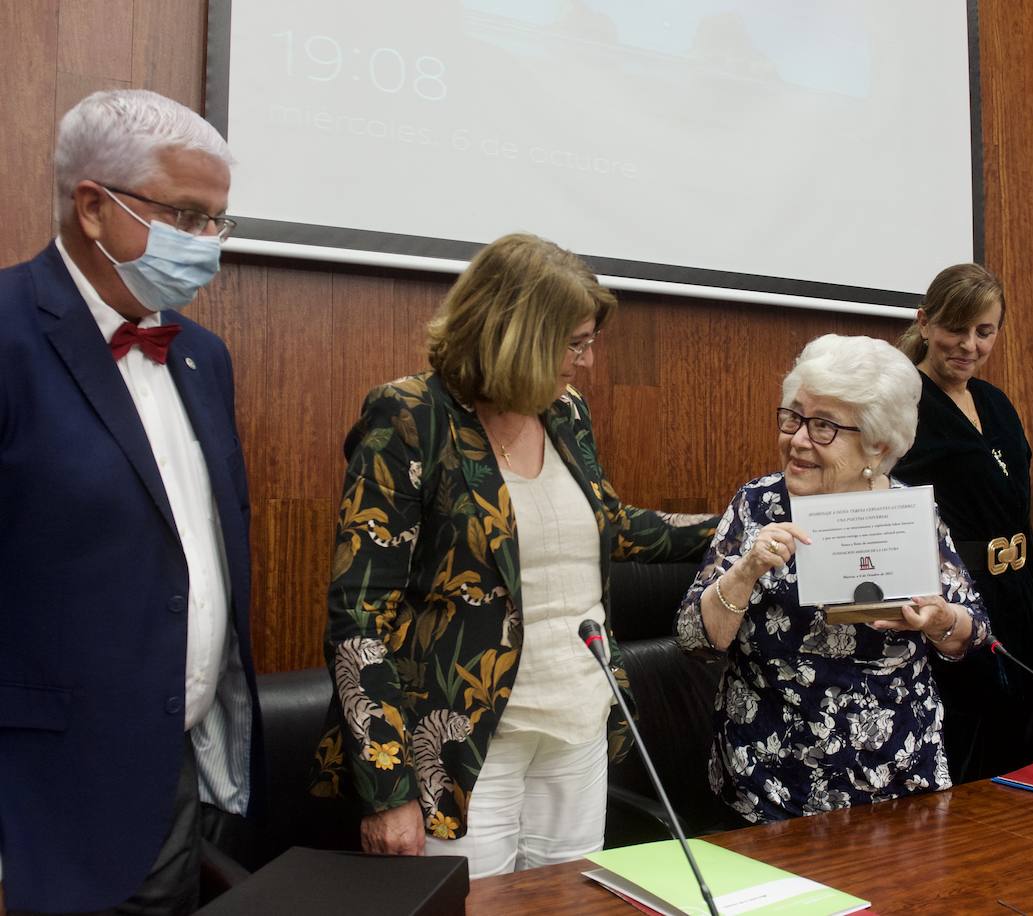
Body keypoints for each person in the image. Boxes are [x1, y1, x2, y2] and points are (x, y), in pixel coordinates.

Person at [310, 233, 716, 878]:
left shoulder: (565, 411)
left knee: (567, 902)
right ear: (515, 336)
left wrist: (738, 522)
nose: (586, 361)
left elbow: (610, 525)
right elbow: (360, 613)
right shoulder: (412, 416)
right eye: (574, 344)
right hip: (462, 740)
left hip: (577, 718)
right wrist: (386, 790)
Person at [0, 90, 258, 914]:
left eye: (218, 220)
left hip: (171, 776)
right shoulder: (6, 333)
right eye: (186, 215)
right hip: (37, 798)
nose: (207, 242)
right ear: (93, 208)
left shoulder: (202, 356)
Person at [675, 335, 991, 823]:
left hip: (898, 783)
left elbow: (974, 633)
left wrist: (940, 619)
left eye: (823, 426)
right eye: (793, 417)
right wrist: (746, 570)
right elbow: (694, 639)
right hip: (769, 784)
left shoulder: (905, 514)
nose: (798, 440)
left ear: (877, 444)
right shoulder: (758, 505)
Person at [889, 264, 1033, 783]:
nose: (969, 345)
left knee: (1023, 771)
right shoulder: (900, 406)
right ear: (924, 322)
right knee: (967, 773)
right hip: (952, 612)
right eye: (955, 329)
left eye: (984, 332)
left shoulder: (995, 402)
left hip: (1021, 602)